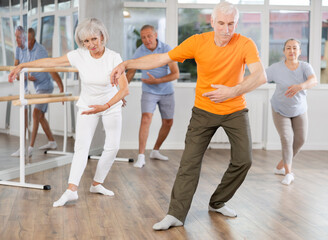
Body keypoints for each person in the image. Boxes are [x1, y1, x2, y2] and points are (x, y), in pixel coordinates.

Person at [111, 2, 266, 230]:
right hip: (203, 110)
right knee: (189, 163)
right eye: (221, 23)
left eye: (231, 24)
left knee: (244, 160)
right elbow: (161, 59)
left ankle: (218, 201)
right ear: (212, 22)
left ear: (236, 23)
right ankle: (175, 214)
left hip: (234, 109)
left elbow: (260, 76)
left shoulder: (245, 44)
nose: (226, 29)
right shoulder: (197, 42)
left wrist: (231, 91)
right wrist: (127, 63)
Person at [9, 18, 129, 207]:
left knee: (112, 147)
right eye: (86, 41)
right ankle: (71, 190)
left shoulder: (114, 57)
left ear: (102, 36)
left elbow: (124, 90)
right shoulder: (79, 55)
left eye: (94, 39)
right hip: (87, 106)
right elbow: (52, 61)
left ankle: (97, 183)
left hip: (110, 105)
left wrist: (107, 105)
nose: (91, 45)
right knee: (81, 147)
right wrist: (24, 65)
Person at [126, 25, 179, 168]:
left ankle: (155, 150)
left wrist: (158, 81)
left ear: (155, 35)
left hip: (167, 91)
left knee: (168, 122)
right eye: (143, 37)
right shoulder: (140, 51)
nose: (146, 40)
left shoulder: (167, 49)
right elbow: (130, 72)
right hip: (149, 91)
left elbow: (176, 74)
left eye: (149, 36)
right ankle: (141, 156)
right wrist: (122, 91)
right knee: (146, 118)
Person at [267, 38, 317, 185]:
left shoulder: (305, 67)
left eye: (295, 48)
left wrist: (300, 86)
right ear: (284, 51)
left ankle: (280, 165)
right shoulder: (276, 68)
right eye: (288, 48)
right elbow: (260, 77)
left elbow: (313, 81)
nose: (292, 51)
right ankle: (288, 173)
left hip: (299, 109)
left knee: (300, 140)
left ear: (299, 51)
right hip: (280, 109)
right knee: (287, 138)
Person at [11, 26, 64, 157]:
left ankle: (29, 148)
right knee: (40, 116)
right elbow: (16, 71)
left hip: (45, 86)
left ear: (33, 39)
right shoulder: (19, 49)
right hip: (34, 86)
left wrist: (61, 88)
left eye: (26, 40)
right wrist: (25, 76)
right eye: (20, 39)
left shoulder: (40, 51)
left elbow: (51, 69)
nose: (23, 42)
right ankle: (52, 142)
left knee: (35, 114)